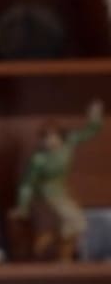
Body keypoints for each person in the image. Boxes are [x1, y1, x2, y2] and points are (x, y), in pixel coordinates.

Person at [11, 99, 104, 260]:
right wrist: (23, 206)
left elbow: (90, 132)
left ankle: (60, 253)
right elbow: (27, 184)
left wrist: (94, 116)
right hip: (49, 192)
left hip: (63, 189)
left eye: (53, 137)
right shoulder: (38, 159)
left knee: (68, 227)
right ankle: (49, 239)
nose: (50, 142)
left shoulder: (69, 143)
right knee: (79, 222)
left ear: (60, 136)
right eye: (45, 138)